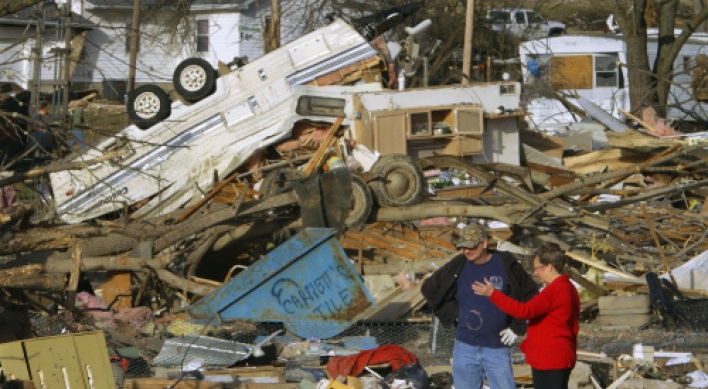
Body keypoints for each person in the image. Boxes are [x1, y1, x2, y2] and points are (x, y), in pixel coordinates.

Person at [421, 223, 538, 389]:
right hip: (465, 346)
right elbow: (429, 288)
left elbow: (530, 295)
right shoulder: (459, 264)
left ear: (484, 243)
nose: (467, 251)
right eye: (463, 247)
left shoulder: (506, 264)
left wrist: (516, 327)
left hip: (497, 346)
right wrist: (454, 314)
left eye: (471, 246)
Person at [472, 242, 580, 389]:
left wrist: (493, 294)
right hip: (559, 355)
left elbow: (525, 311)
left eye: (537, 268)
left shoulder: (555, 290)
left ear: (549, 267)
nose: (535, 273)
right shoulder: (569, 287)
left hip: (550, 358)